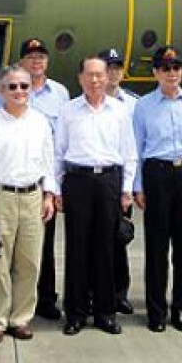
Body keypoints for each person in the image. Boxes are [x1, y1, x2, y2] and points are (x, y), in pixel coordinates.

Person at [53, 56, 137, 336]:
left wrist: (126, 190)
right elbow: (57, 152)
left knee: (106, 249)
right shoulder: (68, 111)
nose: (95, 80)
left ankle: (105, 313)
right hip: (77, 181)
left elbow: (129, 153)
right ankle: (76, 313)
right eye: (89, 75)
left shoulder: (119, 111)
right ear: (80, 79)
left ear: (107, 77)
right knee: (77, 249)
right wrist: (56, 189)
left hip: (109, 183)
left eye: (100, 75)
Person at [0, 64, 56, 343]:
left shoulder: (41, 122)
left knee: (30, 262)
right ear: (1, 90)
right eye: (12, 86)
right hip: (1, 196)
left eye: (24, 86)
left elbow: (48, 160)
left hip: (33, 196)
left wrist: (48, 195)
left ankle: (20, 318)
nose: (19, 91)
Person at [132, 45, 182, 333]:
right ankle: (156, 311)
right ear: (155, 73)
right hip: (157, 174)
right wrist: (138, 186)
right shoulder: (144, 106)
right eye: (165, 68)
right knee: (157, 246)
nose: (172, 73)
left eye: (176, 68)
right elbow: (137, 148)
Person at [0, 38, 71, 321]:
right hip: (13, 178)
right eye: (31, 57)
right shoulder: (9, 90)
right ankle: (13, 301)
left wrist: (55, 187)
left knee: (44, 245)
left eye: (41, 56)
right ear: (21, 62)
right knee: (11, 248)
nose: (36, 61)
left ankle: (46, 298)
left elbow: (62, 142)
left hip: (43, 180)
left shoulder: (60, 94)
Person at [99, 47, 138, 315]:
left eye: (116, 67)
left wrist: (133, 187)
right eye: (108, 67)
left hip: (122, 181)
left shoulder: (135, 104)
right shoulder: (87, 101)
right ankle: (94, 291)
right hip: (99, 180)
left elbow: (138, 148)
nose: (113, 73)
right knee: (95, 240)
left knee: (119, 238)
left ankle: (119, 292)